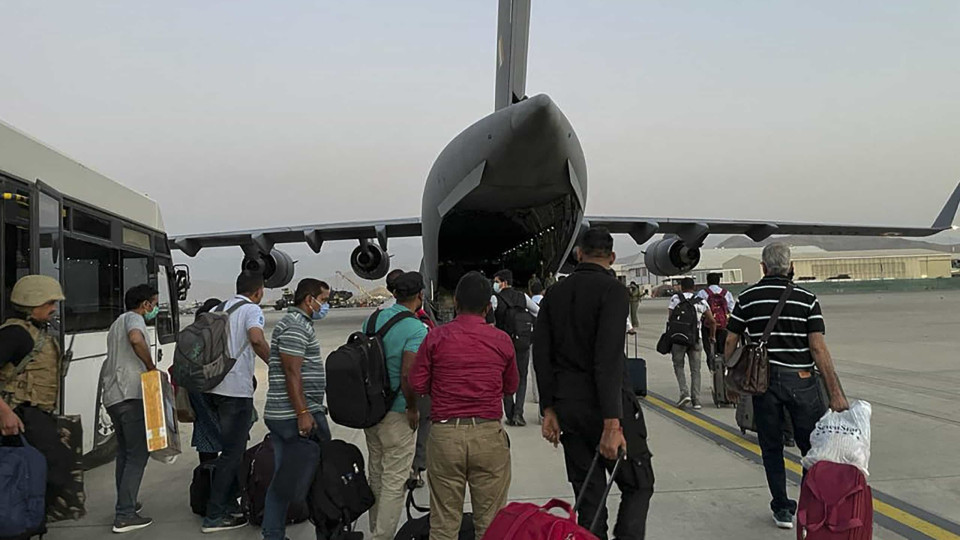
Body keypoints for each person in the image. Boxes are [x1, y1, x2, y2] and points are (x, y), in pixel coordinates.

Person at [534, 227, 655, 540]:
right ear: (612, 257)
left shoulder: (554, 294)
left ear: (578, 254)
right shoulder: (612, 291)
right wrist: (612, 423)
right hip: (607, 407)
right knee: (639, 483)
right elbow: (607, 359)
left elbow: (542, 356)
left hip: (569, 411)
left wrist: (549, 408)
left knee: (589, 495)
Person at [725, 243, 849, 530]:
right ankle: (810, 505)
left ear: (763, 268)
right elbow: (818, 348)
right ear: (791, 267)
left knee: (771, 447)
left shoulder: (747, 298)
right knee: (813, 448)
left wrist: (731, 378)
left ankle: (782, 509)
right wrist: (835, 392)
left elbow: (731, 341)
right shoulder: (807, 298)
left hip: (762, 383)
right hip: (802, 381)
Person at [410, 271, 518, 540]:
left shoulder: (436, 337)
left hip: (446, 435)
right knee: (491, 525)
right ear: (488, 307)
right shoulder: (502, 340)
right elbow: (511, 387)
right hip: (488, 435)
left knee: (444, 524)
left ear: (456, 302)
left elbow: (418, 383)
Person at [261, 278, 332, 540]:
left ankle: (273, 534)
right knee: (320, 475)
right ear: (309, 299)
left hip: (286, 413)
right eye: (323, 300)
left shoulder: (298, 324)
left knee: (283, 478)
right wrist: (303, 413)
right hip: (295, 415)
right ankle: (327, 530)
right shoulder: (294, 326)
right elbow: (293, 372)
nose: (325, 306)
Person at [201, 272, 270, 534]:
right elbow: (255, 338)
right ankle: (215, 515)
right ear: (259, 291)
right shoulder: (251, 309)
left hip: (213, 387)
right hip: (235, 391)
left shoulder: (220, 308)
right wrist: (274, 363)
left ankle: (228, 503)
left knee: (229, 450)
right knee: (233, 453)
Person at [362, 272, 429, 540]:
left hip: (371, 411)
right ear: (420, 295)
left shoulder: (373, 318)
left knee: (376, 473)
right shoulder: (414, 328)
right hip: (397, 413)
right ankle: (383, 536)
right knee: (394, 480)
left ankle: (376, 527)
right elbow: (408, 374)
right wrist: (412, 408)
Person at [99, 284, 160, 533]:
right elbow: (136, 339)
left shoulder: (116, 323)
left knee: (124, 454)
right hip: (130, 395)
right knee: (138, 454)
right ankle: (124, 514)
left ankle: (127, 502)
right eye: (154, 304)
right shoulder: (135, 319)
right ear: (145, 304)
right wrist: (150, 366)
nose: (154, 309)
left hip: (113, 396)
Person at [0, 275, 65, 436]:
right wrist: (5, 413)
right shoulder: (15, 333)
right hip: (18, 418)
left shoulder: (34, 332)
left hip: (33, 417)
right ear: (32, 304)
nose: (54, 308)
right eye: (49, 303)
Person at [491, 269, 539, 426]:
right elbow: (538, 312)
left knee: (505, 377)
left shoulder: (495, 299)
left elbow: (489, 319)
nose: (495, 285)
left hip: (503, 345)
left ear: (504, 282)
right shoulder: (523, 297)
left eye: (497, 281)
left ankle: (510, 413)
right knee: (522, 377)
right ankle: (519, 413)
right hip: (522, 343)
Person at [667, 277, 717, 410]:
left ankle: (684, 393)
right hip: (696, 338)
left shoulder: (675, 299)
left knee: (678, 365)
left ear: (681, 287)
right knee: (696, 370)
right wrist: (712, 336)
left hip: (679, 338)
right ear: (694, 288)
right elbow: (712, 321)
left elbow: (670, 318)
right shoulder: (701, 302)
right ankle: (697, 400)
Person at [189, 298, 225, 465]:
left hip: (196, 394)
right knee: (230, 442)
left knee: (205, 436)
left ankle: (205, 479)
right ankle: (226, 483)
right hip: (216, 394)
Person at [697, 273, 735, 367]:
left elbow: (698, 309)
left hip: (707, 325)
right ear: (719, 281)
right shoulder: (726, 293)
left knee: (709, 350)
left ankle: (712, 369)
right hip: (723, 325)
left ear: (707, 281)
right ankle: (722, 368)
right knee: (722, 349)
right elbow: (732, 309)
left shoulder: (702, 293)